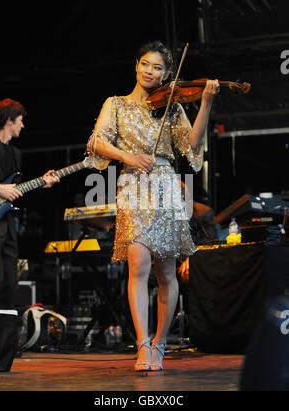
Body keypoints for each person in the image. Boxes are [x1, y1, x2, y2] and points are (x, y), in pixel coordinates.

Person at [85, 40, 219, 371]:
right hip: (132, 185)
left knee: (166, 272)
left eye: (157, 67)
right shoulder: (115, 104)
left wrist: (205, 103)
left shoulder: (173, 107)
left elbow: (191, 146)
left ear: (167, 74)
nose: (150, 71)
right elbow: (96, 142)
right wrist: (128, 156)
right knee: (138, 264)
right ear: (136, 65)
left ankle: (161, 342)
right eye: (145, 64)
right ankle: (142, 344)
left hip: (167, 188)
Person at [0, 98, 59, 310]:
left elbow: (17, 193)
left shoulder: (16, 154)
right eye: (19, 121)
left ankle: (6, 342)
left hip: (9, 226)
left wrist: (41, 185)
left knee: (10, 283)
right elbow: (3, 190)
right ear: (9, 121)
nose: (23, 125)